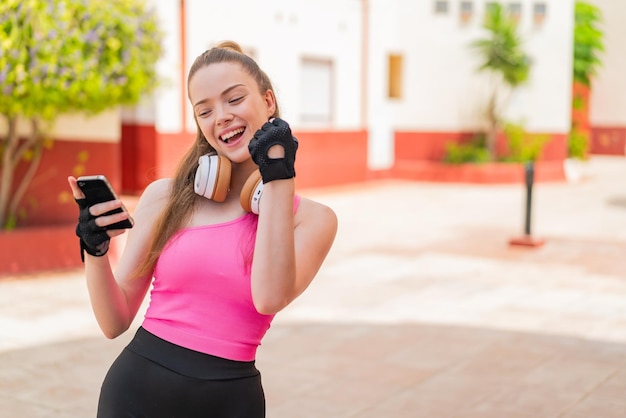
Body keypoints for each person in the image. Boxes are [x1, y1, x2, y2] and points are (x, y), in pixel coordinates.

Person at [67, 40, 338, 417]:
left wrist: (278, 177)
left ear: (269, 102)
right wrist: (94, 253)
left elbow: (269, 297)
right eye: (204, 110)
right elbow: (114, 322)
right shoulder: (165, 197)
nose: (222, 116)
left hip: (228, 402)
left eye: (234, 99)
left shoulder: (313, 218)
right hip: (135, 393)